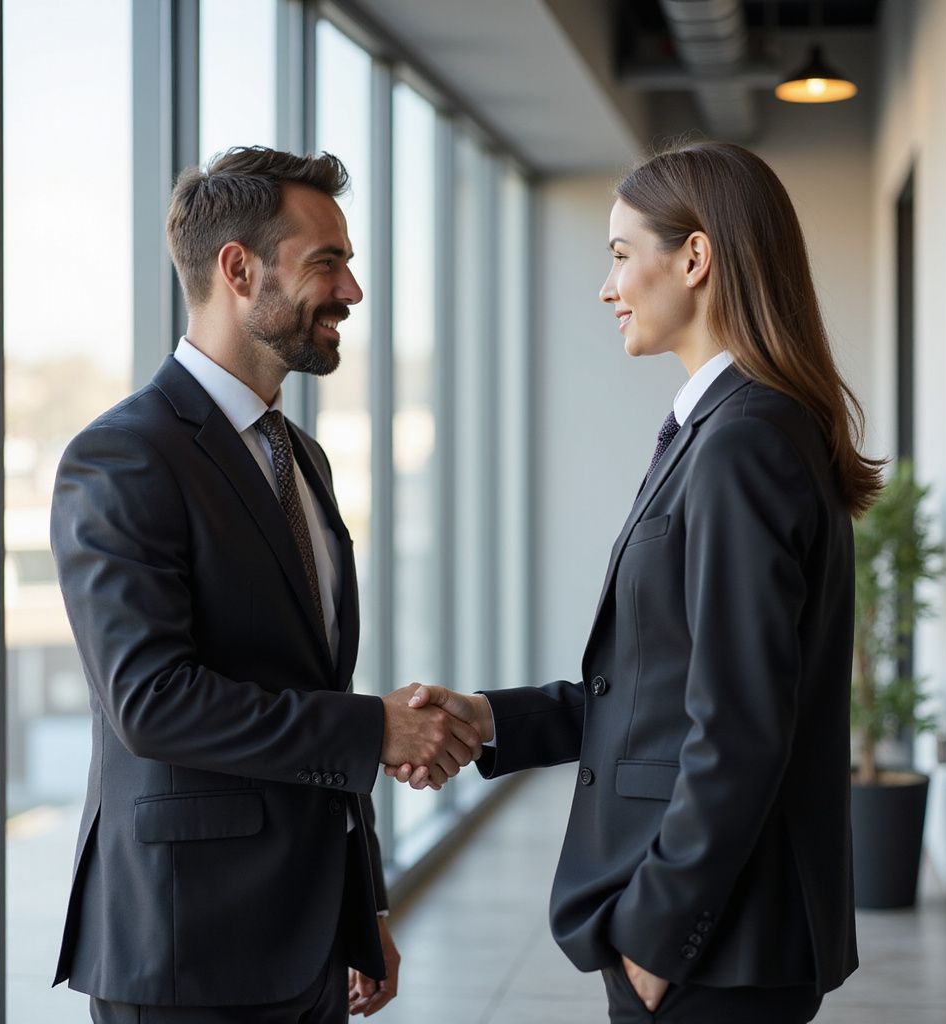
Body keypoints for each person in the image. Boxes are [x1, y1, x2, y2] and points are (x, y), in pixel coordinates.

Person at [389, 141, 880, 1024]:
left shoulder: (743, 442)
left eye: (621, 254)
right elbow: (662, 691)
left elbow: (740, 724)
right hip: (720, 937)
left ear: (694, 258)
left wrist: (658, 936)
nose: (607, 286)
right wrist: (492, 720)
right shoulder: (729, 429)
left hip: (714, 943)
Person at [50, 145, 482, 1024]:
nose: (352, 292)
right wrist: (377, 725)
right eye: (327, 263)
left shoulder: (299, 456)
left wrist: (361, 907)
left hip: (310, 938)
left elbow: (304, 687)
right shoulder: (122, 456)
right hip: (186, 952)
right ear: (237, 269)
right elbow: (153, 702)